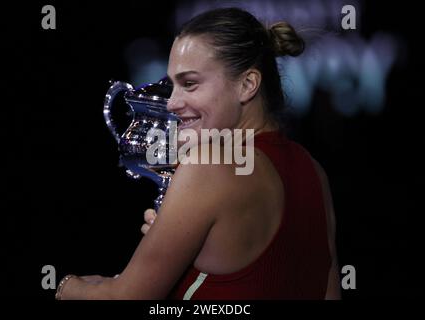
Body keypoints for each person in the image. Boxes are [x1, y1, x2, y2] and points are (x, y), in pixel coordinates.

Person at [56, 7, 341, 300]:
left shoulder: (208, 165)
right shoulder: (314, 171)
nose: (172, 103)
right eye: (173, 84)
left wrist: (65, 286)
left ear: (247, 85)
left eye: (189, 83)